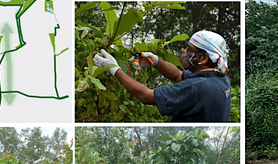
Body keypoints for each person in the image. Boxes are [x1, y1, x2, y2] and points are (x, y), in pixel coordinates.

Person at [93, 31, 232, 122]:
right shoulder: (220, 79)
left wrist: (114, 69)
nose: (184, 52)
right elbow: (178, 75)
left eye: (189, 50)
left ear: (203, 57)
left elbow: (146, 96)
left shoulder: (196, 87)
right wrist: (155, 61)